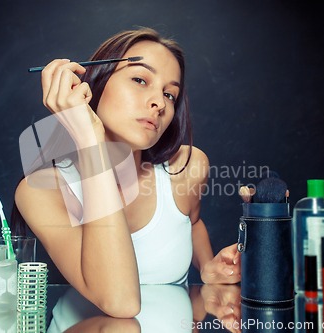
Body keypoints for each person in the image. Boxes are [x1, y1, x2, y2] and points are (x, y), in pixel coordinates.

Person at [14, 27, 241, 318]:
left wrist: (208, 267)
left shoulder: (187, 167)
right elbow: (121, 302)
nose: (159, 103)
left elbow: (191, 223)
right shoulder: (42, 191)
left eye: (170, 94)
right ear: (95, 84)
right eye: (139, 79)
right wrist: (89, 141)